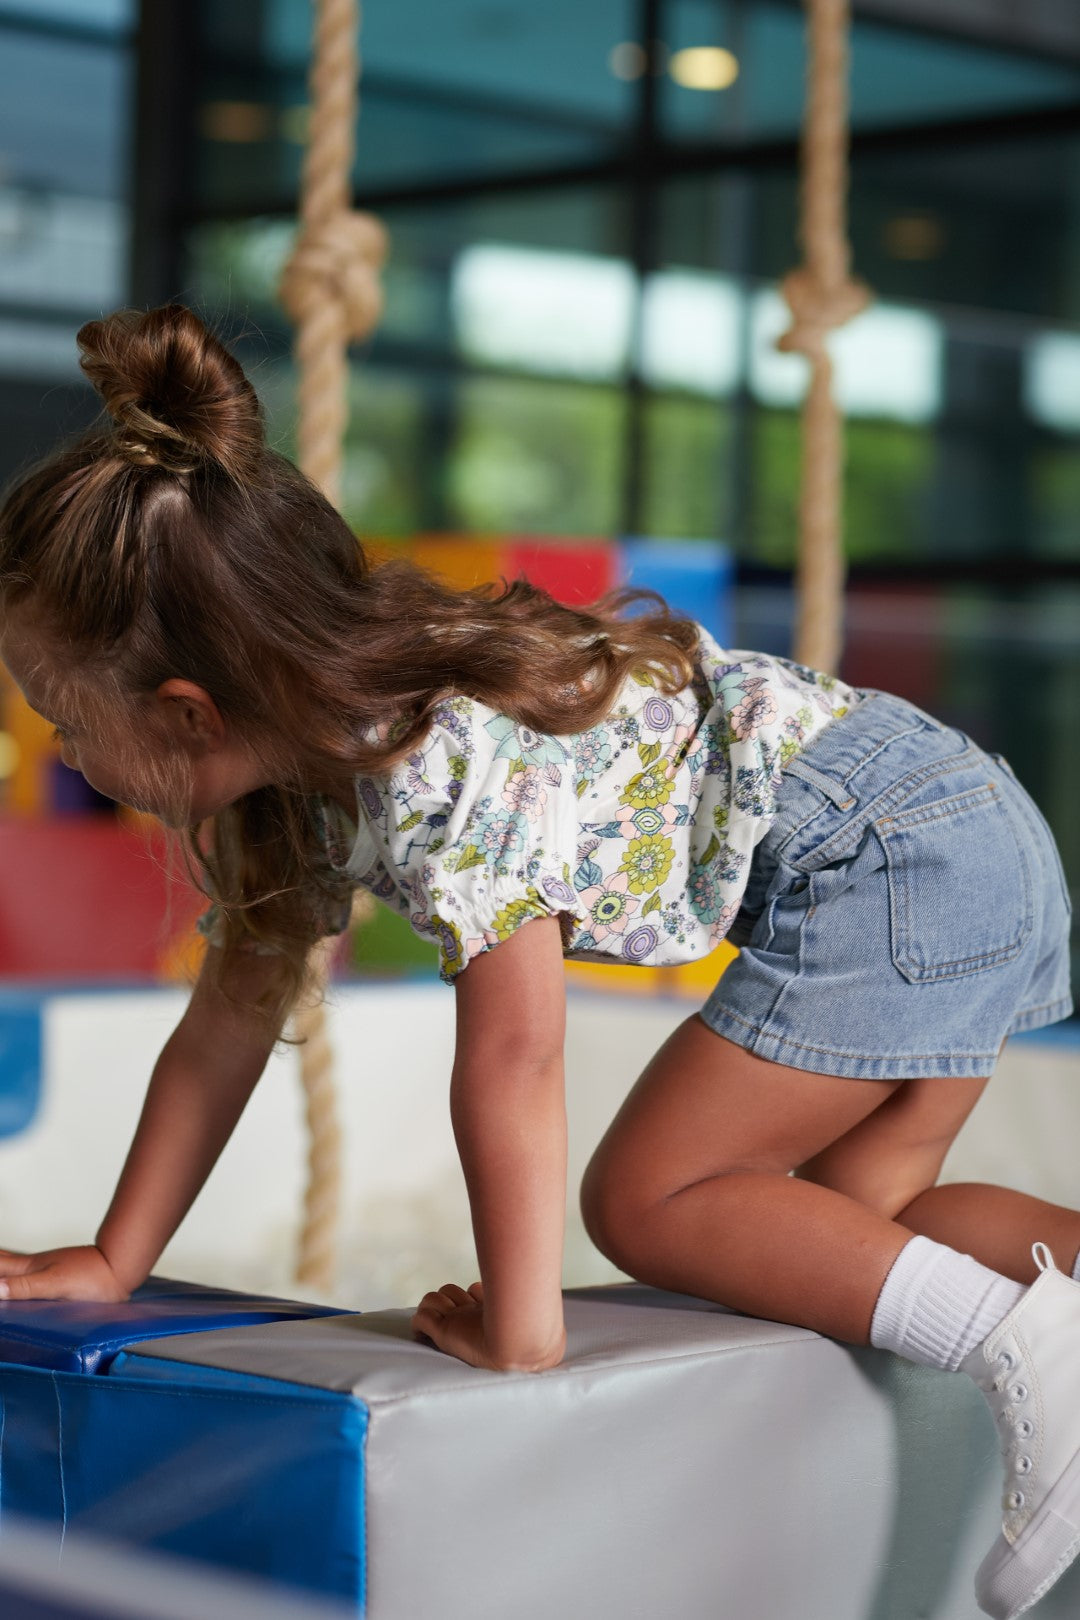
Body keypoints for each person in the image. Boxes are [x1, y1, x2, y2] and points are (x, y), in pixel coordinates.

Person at [0, 302, 1074, 1620]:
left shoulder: (431, 760)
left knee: (652, 1201)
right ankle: (1055, 1315)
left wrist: (523, 1331)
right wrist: (114, 1259)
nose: (60, 753)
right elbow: (216, 1037)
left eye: (63, 720)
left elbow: (514, 1051)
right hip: (952, 828)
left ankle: (1029, 1348)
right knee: (851, 1242)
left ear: (188, 711)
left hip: (888, 858)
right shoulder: (297, 786)